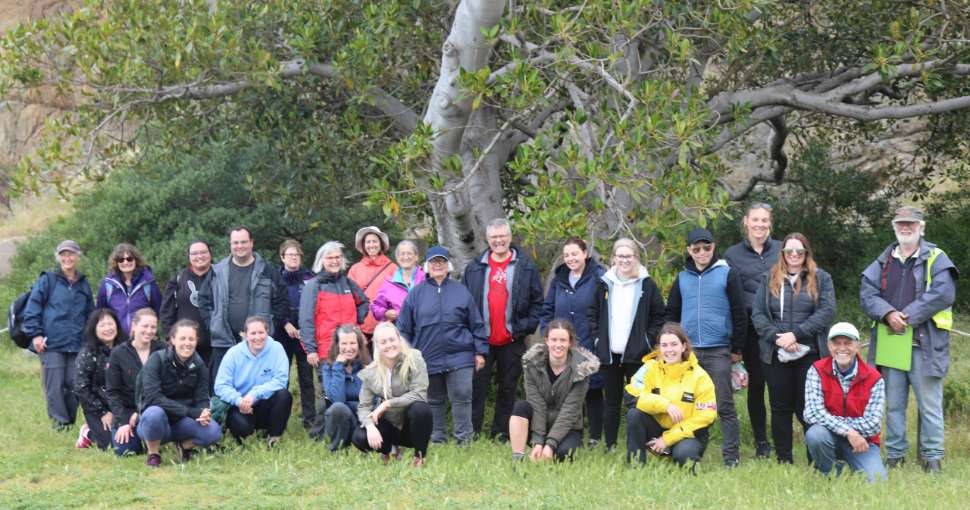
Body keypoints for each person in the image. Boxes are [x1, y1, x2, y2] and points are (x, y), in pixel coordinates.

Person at [860, 206, 958, 473]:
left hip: (926, 347)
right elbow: (867, 294)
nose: (906, 227)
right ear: (894, 226)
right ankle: (895, 458)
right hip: (891, 344)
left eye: (911, 224)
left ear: (921, 227)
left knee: (930, 406)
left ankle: (933, 459)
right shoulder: (883, 260)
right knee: (893, 406)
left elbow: (943, 293)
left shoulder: (937, 258)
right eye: (901, 223)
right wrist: (888, 313)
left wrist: (907, 316)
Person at [664, 227, 747, 467]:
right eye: (696, 248)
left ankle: (731, 457)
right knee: (692, 404)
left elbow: (739, 312)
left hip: (719, 349)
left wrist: (736, 349)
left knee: (724, 405)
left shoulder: (727, 273)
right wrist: (671, 345)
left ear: (713, 247)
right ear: (689, 251)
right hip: (689, 353)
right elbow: (672, 314)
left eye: (707, 247)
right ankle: (694, 452)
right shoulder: (682, 278)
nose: (702, 253)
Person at [752, 232, 835, 464]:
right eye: (789, 251)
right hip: (776, 352)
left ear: (806, 253)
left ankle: (814, 458)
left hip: (810, 353)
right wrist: (777, 338)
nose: (795, 254)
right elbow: (758, 314)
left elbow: (827, 312)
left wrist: (796, 334)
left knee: (809, 409)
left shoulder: (821, 278)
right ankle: (784, 459)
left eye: (800, 250)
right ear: (783, 253)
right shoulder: (768, 278)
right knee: (779, 408)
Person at [463, 218, 543, 441]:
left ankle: (501, 433)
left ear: (509, 237)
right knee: (476, 387)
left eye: (502, 236)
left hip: (512, 340)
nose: (498, 241)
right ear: (487, 240)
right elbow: (465, 304)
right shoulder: (475, 268)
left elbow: (538, 303)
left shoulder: (525, 266)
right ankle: (472, 432)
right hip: (482, 342)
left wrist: (523, 327)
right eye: (494, 237)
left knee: (508, 388)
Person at [398, 246, 487, 445]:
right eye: (434, 262)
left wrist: (480, 351)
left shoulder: (461, 291)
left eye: (442, 261)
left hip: (461, 355)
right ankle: (438, 438)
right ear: (426, 266)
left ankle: (464, 439)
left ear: (448, 265)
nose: (438, 265)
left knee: (462, 395)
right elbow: (403, 327)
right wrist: (409, 353)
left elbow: (476, 322)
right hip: (427, 355)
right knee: (433, 399)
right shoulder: (416, 294)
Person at [589, 238, 666, 451]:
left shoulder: (647, 284)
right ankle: (610, 444)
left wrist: (647, 341)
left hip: (637, 355)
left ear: (636, 258)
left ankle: (639, 444)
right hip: (609, 355)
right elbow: (592, 313)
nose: (624, 260)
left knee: (637, 401)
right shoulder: (604, 282)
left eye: (629, 256)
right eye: (620, 256)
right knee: (611, 402)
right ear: (614, 258)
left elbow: (659, 316)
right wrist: (598, 339)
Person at [198, 226, 289, 388]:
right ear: (230, 244)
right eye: (235, 242)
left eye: (243, 242)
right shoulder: (217, 271)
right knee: (221, 391)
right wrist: (212, 324)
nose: (239, 246)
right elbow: (204, 300)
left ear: (252, 243)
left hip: (258, 342)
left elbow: (282, 301)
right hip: (224, 341)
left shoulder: (267, 271)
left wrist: (272, 326)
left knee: (260, 390)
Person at [723, 202, 780, 458]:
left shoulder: (781, 250)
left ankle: (782, 440)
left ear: (770, 223)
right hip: (750, 333)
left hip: (780, 331)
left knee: (781, 387)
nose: (759, 224)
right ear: (746, 222)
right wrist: (734, 344)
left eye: (764, 220)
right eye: (754, 219)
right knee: (757, 387)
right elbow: (729, 299)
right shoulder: (732, 255)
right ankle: (761, 443)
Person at [540, 237, 606, 447]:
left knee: (593, 389)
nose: (570, 258)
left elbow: (605, 311)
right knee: (565, 390)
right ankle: (566, 433)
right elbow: (548, 309)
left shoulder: (599, 277)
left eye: (574, 254)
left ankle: (595, 436)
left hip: (589, 342)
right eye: (566, 255)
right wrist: (547, 333)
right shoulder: (559, 279)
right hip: (562, 345)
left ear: (585, 254)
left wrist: (599, 338)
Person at [23, 240, 95, 430]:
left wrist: (91, 340)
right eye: (63, 255)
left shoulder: (84, 284)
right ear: (58, 258)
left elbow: (91, 316)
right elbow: (32, 309)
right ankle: (60, 423)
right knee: (54, 386)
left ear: (77, 257)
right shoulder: (48, 280)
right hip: (51, 343)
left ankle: (69, 421)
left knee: (75, 384)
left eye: (71, 254)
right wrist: (36, 335)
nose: (67, 258)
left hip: (77, 344)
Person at [625, 323, 717, 468]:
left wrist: (667, 439)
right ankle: (635, 466)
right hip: (657, 427)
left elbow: (706, 416)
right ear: (659, 348)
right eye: (665, 345)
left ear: (684, 346)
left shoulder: (700, 376)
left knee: (684, 457)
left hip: (687, 434)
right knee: (634, 414)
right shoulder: (649, 368)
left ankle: (672, 451)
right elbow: (631, 394)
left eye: (674, 344)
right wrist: (665, 405)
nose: (669, 350)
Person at [804, 322, 887, 482]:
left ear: (858, 346)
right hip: (832, 436)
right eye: (836, 343)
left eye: (848, 343)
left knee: (877, 481)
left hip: (863, 442)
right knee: (815, 434)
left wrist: (842, 428)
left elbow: (873, 425)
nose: (842, 348)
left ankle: (854, 464)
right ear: (829, 346)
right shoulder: (816, 370)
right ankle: (832, 474)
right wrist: (849, 432)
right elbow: (812, 413)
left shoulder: (874, 377)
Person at [509, 320, 600, 462]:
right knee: (520, 406)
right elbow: (536, 404)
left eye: (563, 340)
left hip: (568, 425)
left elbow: (569, 412)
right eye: (554, 340)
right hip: (539, 422)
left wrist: (550, 445)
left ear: (570, 342)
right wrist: (538, 442)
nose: (558, 345)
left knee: (563, 455)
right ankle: (517, 458)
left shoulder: (582, 369)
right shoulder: (532, 363)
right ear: (546, 340)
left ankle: (552, 447)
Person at [137, 319, 221, 467]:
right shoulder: (157, 359)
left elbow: (202, 396)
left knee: (213, 431)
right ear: (173, 340)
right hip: (158, 418)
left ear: (196, 341)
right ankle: (154, 453)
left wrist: (203, 413)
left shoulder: (200, 365)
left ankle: (184, 447)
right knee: (153, 414)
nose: (187, 343)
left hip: (183, 421)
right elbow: (154, 398)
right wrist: (190, 412)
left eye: (191, 339)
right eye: (182, 338)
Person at [353, 322, 432, 467]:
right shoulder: (371, 371)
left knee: (421, 409)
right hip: (389, 425)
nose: (389, 345)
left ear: (399, 339)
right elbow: (364, 406)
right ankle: (390, 450)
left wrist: (387, 403)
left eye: (392, 339)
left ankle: (419, 456)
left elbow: (419, 393)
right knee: (359, 437)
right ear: (377, 346)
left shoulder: (414, 358)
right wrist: (370, 426)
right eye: (383, 342)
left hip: (411, 426)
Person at [214, 316, 292, 446]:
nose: (257, 337)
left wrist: (255, 394)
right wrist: (239, 401)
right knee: (243, 429)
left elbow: (281, 380)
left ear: (267, 332)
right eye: (253, 333)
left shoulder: (277, 349)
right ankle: (240, 435)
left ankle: (274, 438)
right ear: (245, 335)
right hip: (240, 405)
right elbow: (221, 386)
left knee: (284, 395)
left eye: (261, 332)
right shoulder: (233, 353)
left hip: (264, 402)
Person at [299, 241, 369, 375]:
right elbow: (306, 320)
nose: (334, 261)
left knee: (355, 389)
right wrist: (310, 350)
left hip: (351, 347)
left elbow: (364, 302)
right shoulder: (314, 286)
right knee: (331, 392)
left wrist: (356, 322)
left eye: (338, 257)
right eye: (330, 258)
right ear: (322, 261)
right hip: (326, 350)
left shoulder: (348, 283)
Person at [105, 308, 165, 456]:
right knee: (125, 451)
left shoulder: (163, 350)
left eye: (153, 327)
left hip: (155, 409)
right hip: (126, 412)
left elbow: (168, 388)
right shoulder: (118, 353)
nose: (149, 331)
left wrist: (140, 413)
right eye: (145, 326)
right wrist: (124, 421)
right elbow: (113, 392)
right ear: (134, 326)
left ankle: (151, 437)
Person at [277, 239, 318, 430]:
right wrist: (285, 323)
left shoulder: (310, 277)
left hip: (305, 332)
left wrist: (305, 327)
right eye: (290, 254)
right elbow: (272, 304)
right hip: (283, 332)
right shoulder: (276, 278)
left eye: (297, 255)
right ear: (282, 257)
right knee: (281, 377)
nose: (294, 258)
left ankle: (309, 419)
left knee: (306, 377)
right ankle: (279, 419)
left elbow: (317, 305)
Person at [73, 309, 124, 450]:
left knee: (128, 442)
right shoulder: (88, 353)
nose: (108, 328)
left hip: (121, 405)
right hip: (97, 407)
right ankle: (88, 433)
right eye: (102, 325)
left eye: (110, 324)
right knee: (111, 445)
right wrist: (102, 412)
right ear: (94, 329)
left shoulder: (126, 349)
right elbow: (80, 387)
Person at [319, 324, 371, 451]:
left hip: (362, 420)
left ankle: (357, 443)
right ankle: (336, 448)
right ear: (337, 345)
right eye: (344, 343)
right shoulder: (329, 368)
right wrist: (338, 367)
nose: (349, 348)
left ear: (359, 345)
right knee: (338, 408)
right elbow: (337, 400)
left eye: (353, 343)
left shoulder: (368, 367)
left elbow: (371, 401)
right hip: (339, 420)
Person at [160, 240, 213, 364]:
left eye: (203, 252)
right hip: (185, 346)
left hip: (214, 346)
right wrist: (170, 337)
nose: (199, 256)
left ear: (210, 254)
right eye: (194, 253)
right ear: (189, 257)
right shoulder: (179, 278)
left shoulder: (220, 276)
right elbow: (166, 311)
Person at [95, 243, 162, 338]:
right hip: (116, 339)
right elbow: (100, 312)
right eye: (121, 260)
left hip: (142, 338)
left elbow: (158, 310)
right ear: (116, 263)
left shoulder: (148, 283)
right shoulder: (107, 285)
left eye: (129, 259)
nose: (125, 262)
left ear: (136, 260)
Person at [348, 226, 398, 338]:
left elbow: (399, 298)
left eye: (374, 241)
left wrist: (392, 313)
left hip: (387, 328)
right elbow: (350, 301)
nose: (371, 245)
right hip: (362, 330)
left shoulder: (392, 268)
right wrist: (355, 328)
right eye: (368, 242)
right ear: (364, 246)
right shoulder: (355, 269)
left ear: (380, 244)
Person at [371, 240, 425, 323]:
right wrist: (385, 313)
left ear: (416, 257)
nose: (406, 257)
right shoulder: (389, 283)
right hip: (400, 331)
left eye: (409, 253)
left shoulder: (427, 279)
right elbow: (376, 306)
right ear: (397, 258)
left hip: (425, 330)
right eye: (402, 254)